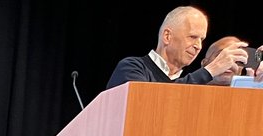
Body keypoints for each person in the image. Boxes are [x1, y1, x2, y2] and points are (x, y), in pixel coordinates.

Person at [106, 6, 248, 89]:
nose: (198, 46)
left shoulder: (190, 82)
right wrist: (210, 70)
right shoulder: (132, 68)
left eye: (202, 39)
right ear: (167, 36)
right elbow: (148, 103)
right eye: (192, 37)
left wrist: (254, 82)